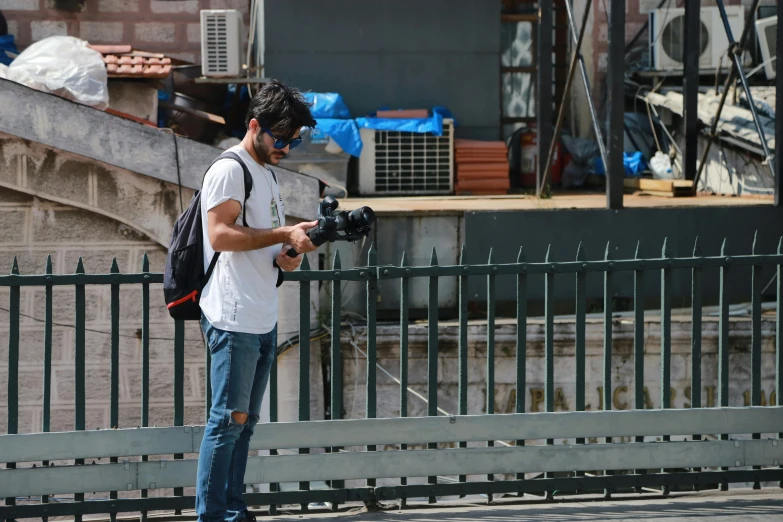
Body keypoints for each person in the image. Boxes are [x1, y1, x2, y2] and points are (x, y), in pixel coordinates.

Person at [197, 80, 318, 522]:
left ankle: (233, 508)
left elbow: (268, 251)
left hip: (260, 315)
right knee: (227, 422)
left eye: (294, 141)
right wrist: (282, 233)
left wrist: (290, 251)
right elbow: (220, 235)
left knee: (243, 426)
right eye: (281, 138)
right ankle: (212, 516)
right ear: (254, 126)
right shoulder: (230, 169)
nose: (287, 147)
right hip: (232, 317)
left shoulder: (266, 173)